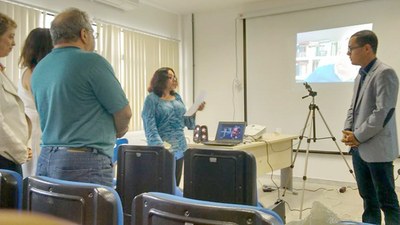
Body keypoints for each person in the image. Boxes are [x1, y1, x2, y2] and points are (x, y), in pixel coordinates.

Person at [31, 8, 132, 187]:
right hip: (84, 162)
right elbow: (124, 113)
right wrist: (118, 130)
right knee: (91, 216)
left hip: (46, 158)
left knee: (51, 216)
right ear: (84, 34)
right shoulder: (92, 61)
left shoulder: (40, 68)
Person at [342, 30, 400, 225]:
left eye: (351, 49)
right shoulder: (360, 76)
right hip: (359, 148)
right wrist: (348, 130)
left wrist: (357, 135)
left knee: (387, 201)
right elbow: (353, 107)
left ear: (367, 48)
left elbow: (383, 112)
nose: (348, 53)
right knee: (368, 200)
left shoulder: (385, 73)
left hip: (377, 150)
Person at [142, 67, 205, 185]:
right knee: (163, 186)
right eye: (170, 77)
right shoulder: (151, 99)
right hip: (163, 149)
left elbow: (185, 121)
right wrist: (161, 148)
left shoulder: (177, 97)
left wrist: (195, 109)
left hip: (180, 148)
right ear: (161, 80)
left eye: (174, 77)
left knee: (175, 184)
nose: (173, 79)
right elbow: (149, 126)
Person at [18, 28, 53, 178]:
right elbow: (45, 103)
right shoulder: (35, 73)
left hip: (30, 126)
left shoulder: (27, 71)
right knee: (35, 174)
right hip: (36, 128)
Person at [0, 12, 32, 175]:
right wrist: (20, 151)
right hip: (5, 157)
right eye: (10, 36)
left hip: (9, 155)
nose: (13, 43)